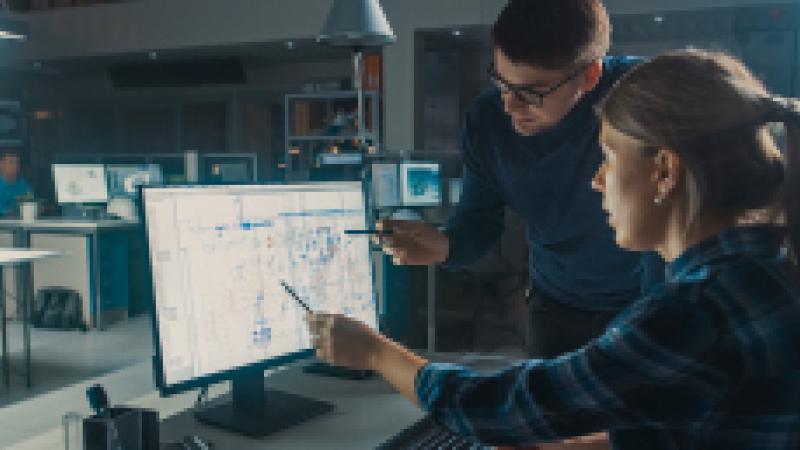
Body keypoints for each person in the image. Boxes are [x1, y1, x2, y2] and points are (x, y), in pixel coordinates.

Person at [308, 49, 800, 449]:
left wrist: (375, 352)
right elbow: (684, 423)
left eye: (609, 157)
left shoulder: (696, 312)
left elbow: (497, 409)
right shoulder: (763, 272)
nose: (596, 181)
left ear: (665, 171)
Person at [377, 0, 664, 361]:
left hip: (646, 299)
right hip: (555, 303)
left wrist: (662, 316)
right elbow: (477, 220)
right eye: (501, 82)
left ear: (589, 77)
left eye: (531, 93)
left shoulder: (644, 96)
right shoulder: (487, 121)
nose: (510, 106)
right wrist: (445, 246)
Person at [0, 148, 32, 217]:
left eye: (17, 162)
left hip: (20, 225)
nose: (15, 165)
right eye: (11, 162)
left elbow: (31, 205)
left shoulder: (24, 185)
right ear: (1, 164)